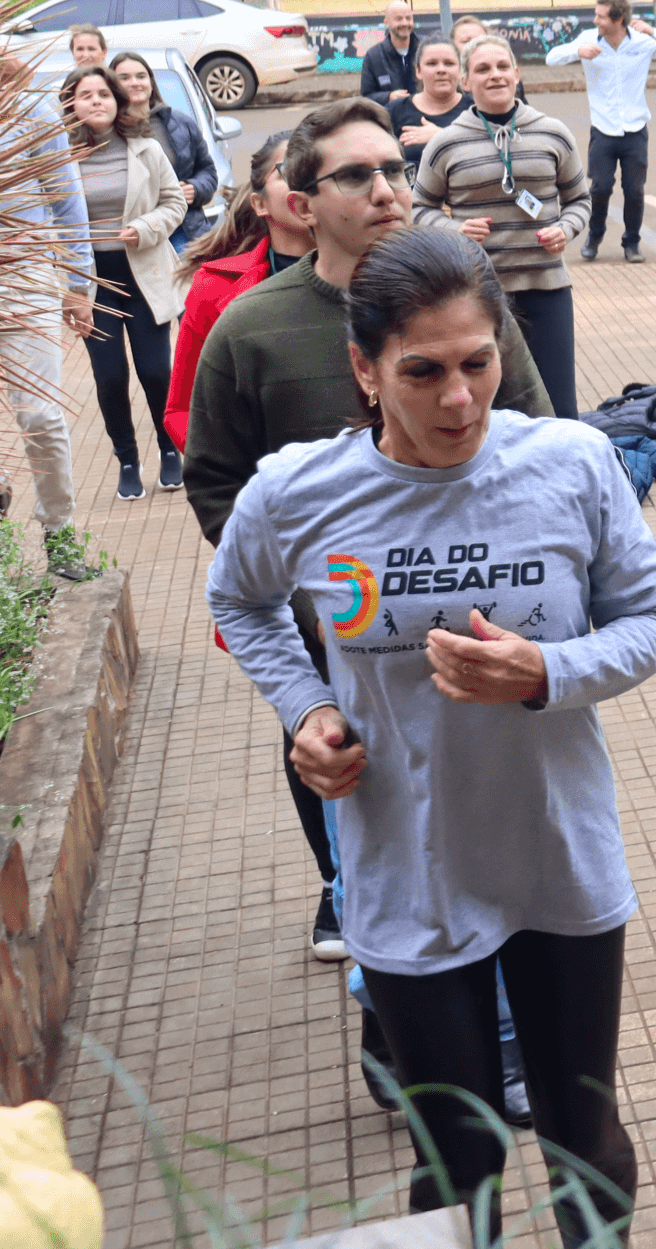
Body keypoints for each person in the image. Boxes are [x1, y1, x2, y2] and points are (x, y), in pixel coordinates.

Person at [208, 224, 656, 1245]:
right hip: (407, 865)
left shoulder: (573, 462)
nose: (459, 400)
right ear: (364, 370)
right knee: (457, 1153)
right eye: (422, 371)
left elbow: (653, 623)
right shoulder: (299, 489)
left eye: (479, 364)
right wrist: (309, 706)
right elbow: (238, 601)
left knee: (579, 1130)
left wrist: (548, 670)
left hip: (559, 856)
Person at [185, 97, 552, 974]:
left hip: (477, 621)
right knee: (350, 788)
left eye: (393, 168)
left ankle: (495, 987)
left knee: (486, 811)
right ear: (302, 204)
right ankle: (378, 974)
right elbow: (216, 481)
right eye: (357, 175)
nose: (387, 189)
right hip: (336, 632)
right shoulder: (252, 327)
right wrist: (303, 592)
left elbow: (538, 430)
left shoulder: (465, 292)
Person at [414, 36, 591, 413]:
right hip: (474, 296)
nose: (494, 76)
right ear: (466, 82)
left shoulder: (553, 132)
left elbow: (580, 200)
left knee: (558, 408)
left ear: (516, 73)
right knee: (488, 409)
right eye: (482, 69)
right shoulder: (446, 143)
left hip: (546, 289)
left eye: (501, 67)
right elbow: (418, 208)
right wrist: (454, 230)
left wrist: (567, 229)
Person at [60, 64, 185, 501]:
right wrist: (68, 288)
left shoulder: (145, 149)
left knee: (155, 371)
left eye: (104, 94)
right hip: (92, 285)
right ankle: (127, 460)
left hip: (144, 276)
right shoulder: (59, 158)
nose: (97, 100)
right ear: (71, 104)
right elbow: (51, 224)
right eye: (86, 94)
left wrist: (146, 227)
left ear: (117, 102)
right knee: (110, 377)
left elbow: (174, 202)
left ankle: (170, 449)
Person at [0, 56, 97, 580]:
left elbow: (66, 201)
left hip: (24, 280)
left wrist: (79, 285)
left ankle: (57, 530)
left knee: (39, 415)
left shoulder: (30, 107)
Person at [166, 133, 308, 449]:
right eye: (290, 170)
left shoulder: (380, 276)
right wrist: (227, 486)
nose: (305, 182)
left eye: (316, 168)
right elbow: (184, 409)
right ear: (259, 203)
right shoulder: (215, 287)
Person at [546, 0, 656, 266]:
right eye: (596, 14)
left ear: (618, 18)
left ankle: (631, 243)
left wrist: (654, 31)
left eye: (601, 15)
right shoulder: (588, 39)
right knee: (600, 188)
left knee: (634, 190)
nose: (596, 20)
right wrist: (577, 51)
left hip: (635, 130)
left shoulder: (643, 42)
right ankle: (594, 238)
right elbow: (551, 58)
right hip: (603, 130)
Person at [107, 51, 217, 254]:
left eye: (141, 76)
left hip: (183, 229)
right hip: (131, 233)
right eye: (124, 78)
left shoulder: (181, 123)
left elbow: (208, 171)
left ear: (151, 81)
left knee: (188, 285)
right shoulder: (104, 130)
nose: (135, 83)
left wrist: (196, 188)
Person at [387, 38, 471, 169]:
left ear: (460, 70)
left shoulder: (476, 109)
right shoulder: (395, 110)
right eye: (432, 64)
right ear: (418, 71)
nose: (441, 70)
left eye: (449, 63)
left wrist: (441, 135)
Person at [359, 0, 420, 102]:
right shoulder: (374, 56)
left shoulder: (425, 50)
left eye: (408, 18)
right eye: (399, 19)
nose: (405, 23)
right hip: (389, 117)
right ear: (386, 22)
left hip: (424, 116)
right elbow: (366, 96)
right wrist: (388, 97)